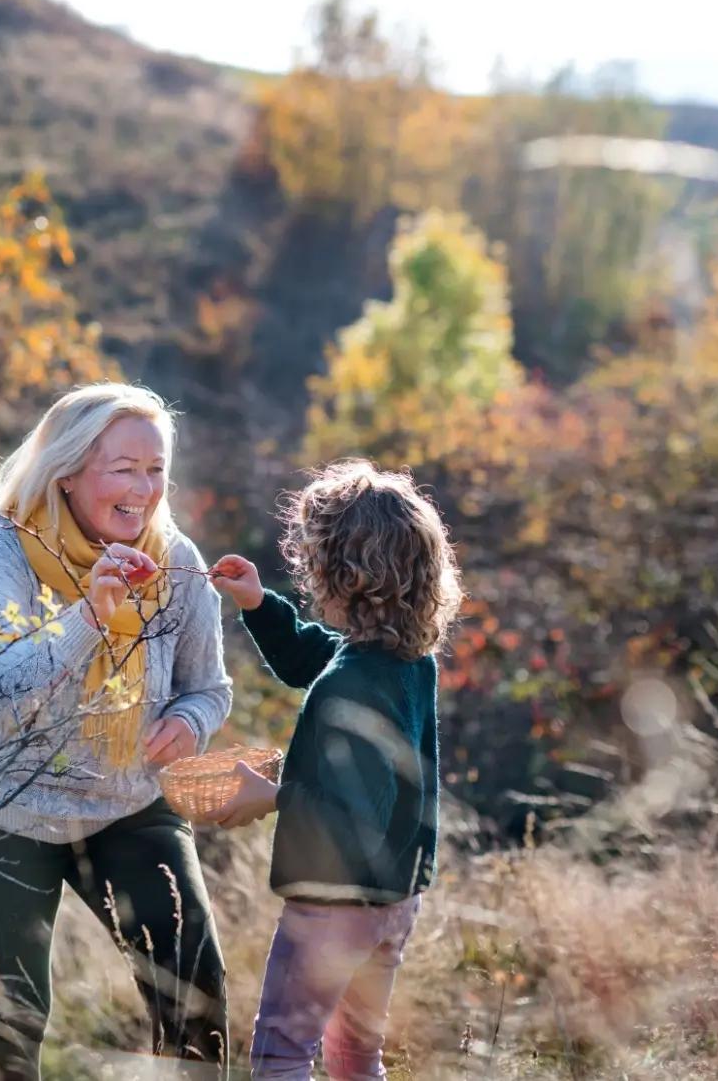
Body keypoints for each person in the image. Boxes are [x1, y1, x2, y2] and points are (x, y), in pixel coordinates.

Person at [0, 383, 233, 1079]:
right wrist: (90, 616)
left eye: (156, 468)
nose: (145, 487)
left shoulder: (173, 555)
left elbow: (210, 686)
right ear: (67, 471)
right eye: (124, 468)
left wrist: (190, 721)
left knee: (196, 997)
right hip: (0, 812)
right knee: (8, 1030)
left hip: (128, 806)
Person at [208, 460, 456, 1081]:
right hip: (394, 900)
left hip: (332, 907)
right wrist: (259, 604)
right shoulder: (401, 659)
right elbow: (307, 660)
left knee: (283, 1056)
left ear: (338, 573)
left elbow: (352, 809)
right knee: (354, 1055)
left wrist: (269, 795)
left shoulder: (353, 681)